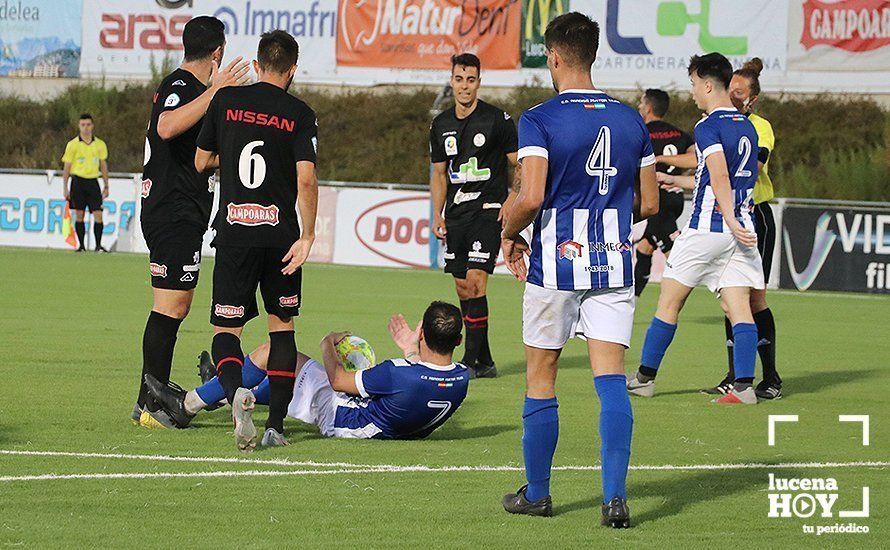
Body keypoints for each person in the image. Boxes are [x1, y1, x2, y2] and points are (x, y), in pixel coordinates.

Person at [499, 13, 659, 526]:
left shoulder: (539, 119)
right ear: (592, 55)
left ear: (555, 56)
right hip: (613, 263)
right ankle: (614, 498)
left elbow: (532, 196)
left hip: (555, 266)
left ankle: (539, 494)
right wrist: (606, 218)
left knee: (542, 377)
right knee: (610, 380)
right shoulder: (633, 120)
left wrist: (507, 230)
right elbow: (650, 202)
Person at [195, 30, 318, 451]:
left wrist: (229, 154)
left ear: (258, 63)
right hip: (281, 237)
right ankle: (276, 426)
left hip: (234, 232)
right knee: (282, 330)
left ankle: (235, 396)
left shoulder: (227, 101)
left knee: (226, 330)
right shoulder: (300, 113)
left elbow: (200, 161)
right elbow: (306, 177)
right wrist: (308, 235)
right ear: (293, 69)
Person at [626, 53, 763, 406]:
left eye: (692, 85)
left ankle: (644, 379)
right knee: (739, 308)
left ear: (706, 84)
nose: (692, 93)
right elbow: (722, 177)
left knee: (669, 302)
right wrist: (672, 178)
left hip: (709, 228)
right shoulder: (747, 124)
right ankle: (744, 387)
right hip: (742, 231)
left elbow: (718, 175)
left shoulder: (707, 126)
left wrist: (727, 217)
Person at [135, 16, 250, 429]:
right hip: (172, 209)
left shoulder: (199, 92)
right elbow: (166, 127)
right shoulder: (180, 86)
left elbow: (200, 158)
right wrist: (218, 91)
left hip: (187, 209)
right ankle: (151, 401)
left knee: (176, 306)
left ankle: (150, 396)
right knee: (170, 305)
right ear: (217, 52)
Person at [144, 303, 469, 440]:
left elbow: (338, 380)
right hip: (378, 424)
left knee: (275, 353)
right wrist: (412, 350)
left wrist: (328, 344)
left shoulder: (398, 373)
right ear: (457, 340)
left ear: (424, 332)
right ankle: (225, 388)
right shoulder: (460, 378)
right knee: (284, 377)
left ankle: (188, 404)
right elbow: (423, 382)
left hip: (344, 417)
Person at [429, 53, 520, 379]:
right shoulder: (440, 125)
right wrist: (438, 214)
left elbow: (518, 163)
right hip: (456, 215)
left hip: (488, 211)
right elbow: (439, 175)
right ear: (451, 81)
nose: (464, 86)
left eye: (471, 79)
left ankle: (468, 362)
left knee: (476, 281)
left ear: (479, 82)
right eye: (459, 79)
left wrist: (511, 197)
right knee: (463, 288)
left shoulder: (498, 120)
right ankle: (485, 360)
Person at [702, 58, 782, 400]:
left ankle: (771, 378)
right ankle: (736, 375)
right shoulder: (716, 123)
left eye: (739, 94)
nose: (733, 98)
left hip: (754, 215)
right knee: (730, 293)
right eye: (729, 91)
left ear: (752, 100)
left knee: (754, 297)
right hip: (726, 217)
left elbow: (754, 164)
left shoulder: (759, 127)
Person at [634, 89, 695, 297]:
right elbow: (696, 159)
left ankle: (683, 288)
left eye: (641, 103)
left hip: (656, 199)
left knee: (673, 253)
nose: (639, 107)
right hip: (675, 197)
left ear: (649, 108)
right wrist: (676, 171)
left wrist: (657, 160)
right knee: (644, 248)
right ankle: (633, 297)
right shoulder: (680, 134)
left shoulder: (642, 133)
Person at [61, 114, 109, 252]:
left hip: (93, 181)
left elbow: (103, 165)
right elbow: (67, 167)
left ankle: (98, 245)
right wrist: (65, 187)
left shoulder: (100, 144)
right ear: (79, 126)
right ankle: (81, 246)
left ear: (92, 126)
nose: (86, 128)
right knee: (79, 214)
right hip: (78, 182)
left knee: (98, 214)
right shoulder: (72, 144)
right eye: (83, 125)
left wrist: (106, 185)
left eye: (88, 125)